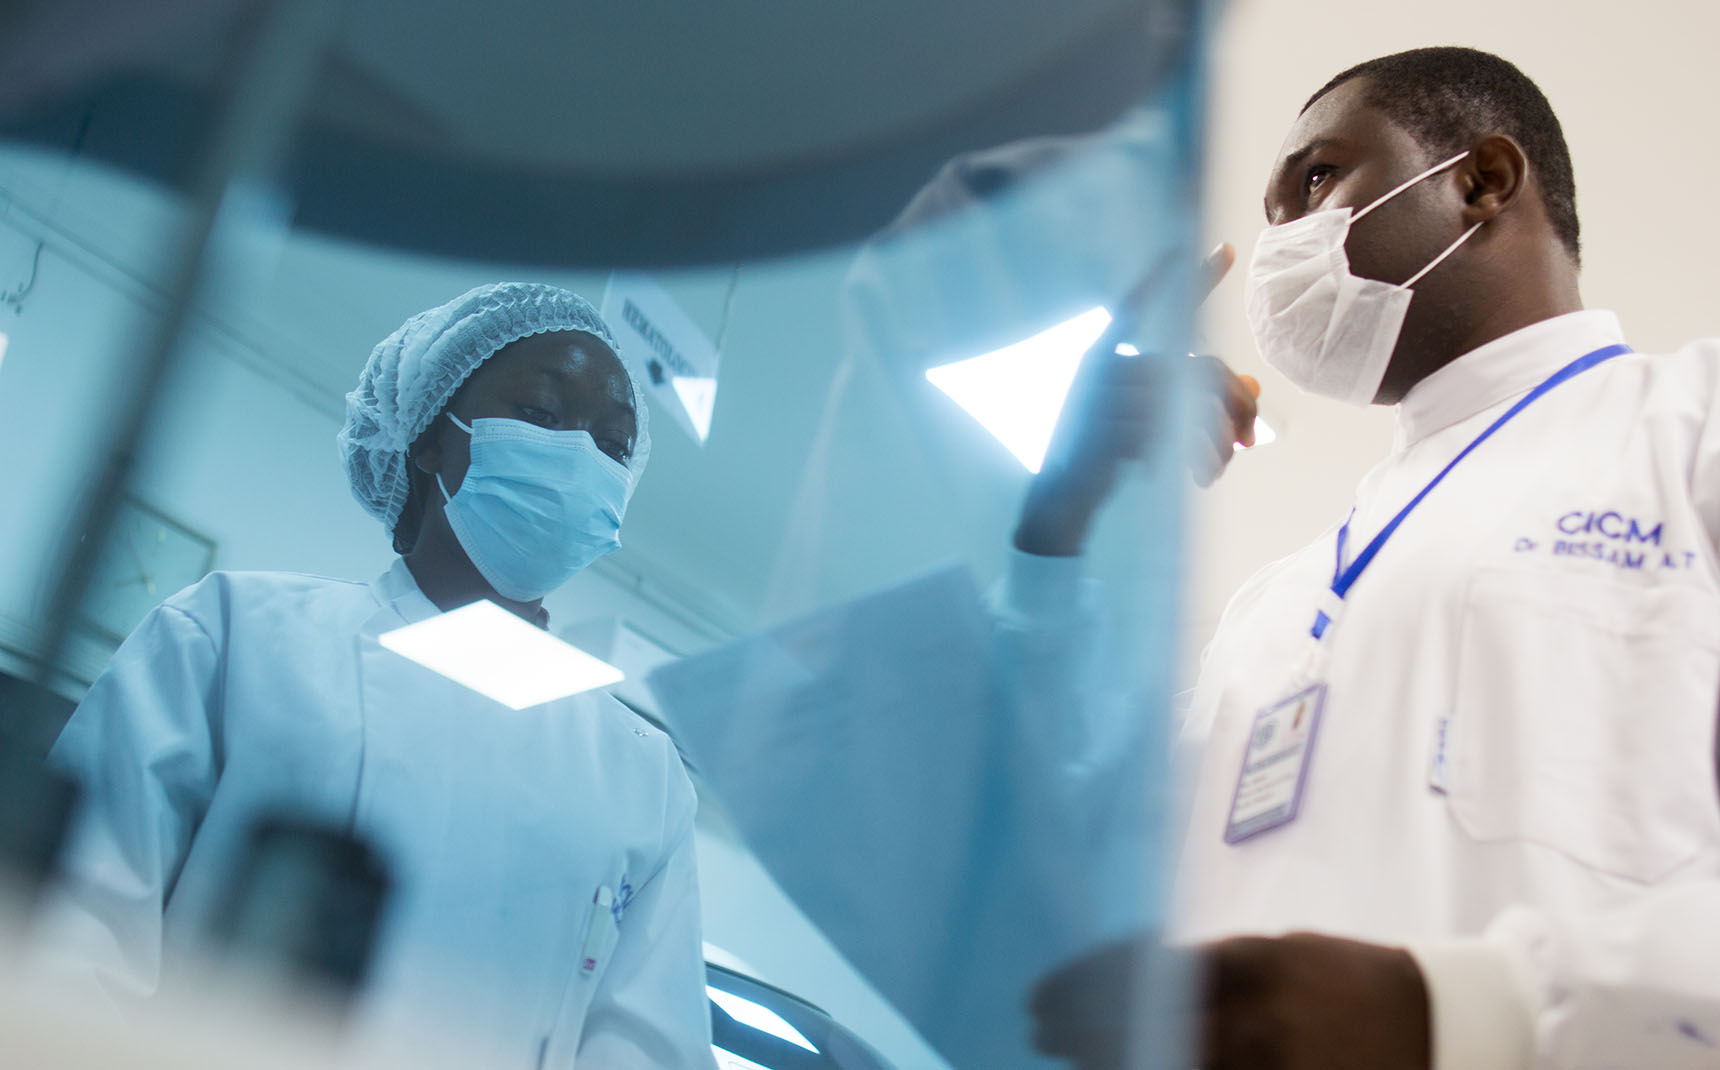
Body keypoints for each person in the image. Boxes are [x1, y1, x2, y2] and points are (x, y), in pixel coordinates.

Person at [1022, 46, 1720, 1070]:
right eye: (1270, 214)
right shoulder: (1276, 602)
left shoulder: (1685, 427)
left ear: (1481, 181)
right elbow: (1053, 866)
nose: (1281, 244)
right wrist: (1058, 533)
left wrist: (1465, 1011)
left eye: (1314, 181)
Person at [36, 283, 716, 1067]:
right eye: (541, 412)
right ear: (429, 435)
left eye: (614, 444)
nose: (584, 458)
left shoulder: (643, 774)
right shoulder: (236, 637)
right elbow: (67, 934)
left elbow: (645, 1051)